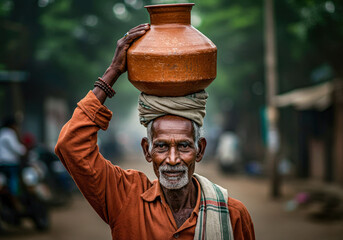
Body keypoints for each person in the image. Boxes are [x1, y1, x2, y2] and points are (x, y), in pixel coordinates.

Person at [55, 23, 255, 240]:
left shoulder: (232, 215)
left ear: (200, 149)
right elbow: (71, 146)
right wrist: (112, 72)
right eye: (161, 146)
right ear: (146, 149)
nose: (172, 159)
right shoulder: (125, 198)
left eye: (184, 146)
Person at [0, 116, 27, 196]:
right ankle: (14, 196)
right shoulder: (9, 133)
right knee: (13, 180)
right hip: (10, 163)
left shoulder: (2, 133)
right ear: (11, 125)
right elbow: (16, 148)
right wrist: (24, 150)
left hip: (2, 162)